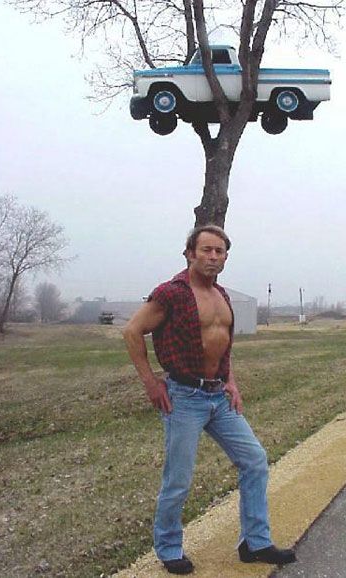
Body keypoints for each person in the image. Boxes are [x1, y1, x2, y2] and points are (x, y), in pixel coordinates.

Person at [123, 225, 296, 575]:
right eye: (206, 250)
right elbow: (131, 331)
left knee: (255, 460)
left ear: (226, 257)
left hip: (217, 395)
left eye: (219, 251)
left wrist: (230, 381)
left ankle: (255, 542)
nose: (213, 256)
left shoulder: (222, 296)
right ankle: (169, 548)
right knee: (179, 478)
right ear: (190, 253)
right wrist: (150, 382)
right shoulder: (171, 293)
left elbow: (221, 345)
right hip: (183, 397)